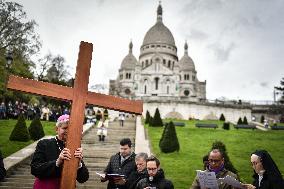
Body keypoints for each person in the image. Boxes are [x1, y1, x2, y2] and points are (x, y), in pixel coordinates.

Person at [30, 114, 89, 189]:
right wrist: (57, 162)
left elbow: (83, 179)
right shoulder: (44, 144)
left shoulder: (75, 146)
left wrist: (79, 164)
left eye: (71, 128)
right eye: (65, 128)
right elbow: (35, 169)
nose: (68, 131)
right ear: (57, 129)